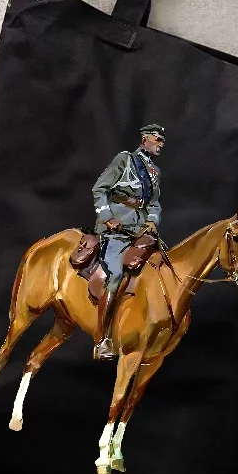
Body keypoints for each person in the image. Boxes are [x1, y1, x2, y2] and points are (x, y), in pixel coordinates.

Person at [90, 124, 165, 360]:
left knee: (160, 265)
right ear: (144, 140)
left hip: (139, 230)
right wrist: (107, 217)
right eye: (157, 139)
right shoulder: (125, 160)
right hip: (116, 229)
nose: (161, 144)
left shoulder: (154, 172)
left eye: (162, 141)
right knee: (115, 275)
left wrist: (152, 220)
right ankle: (101, 340)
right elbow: (99, 189)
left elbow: (154, 203)